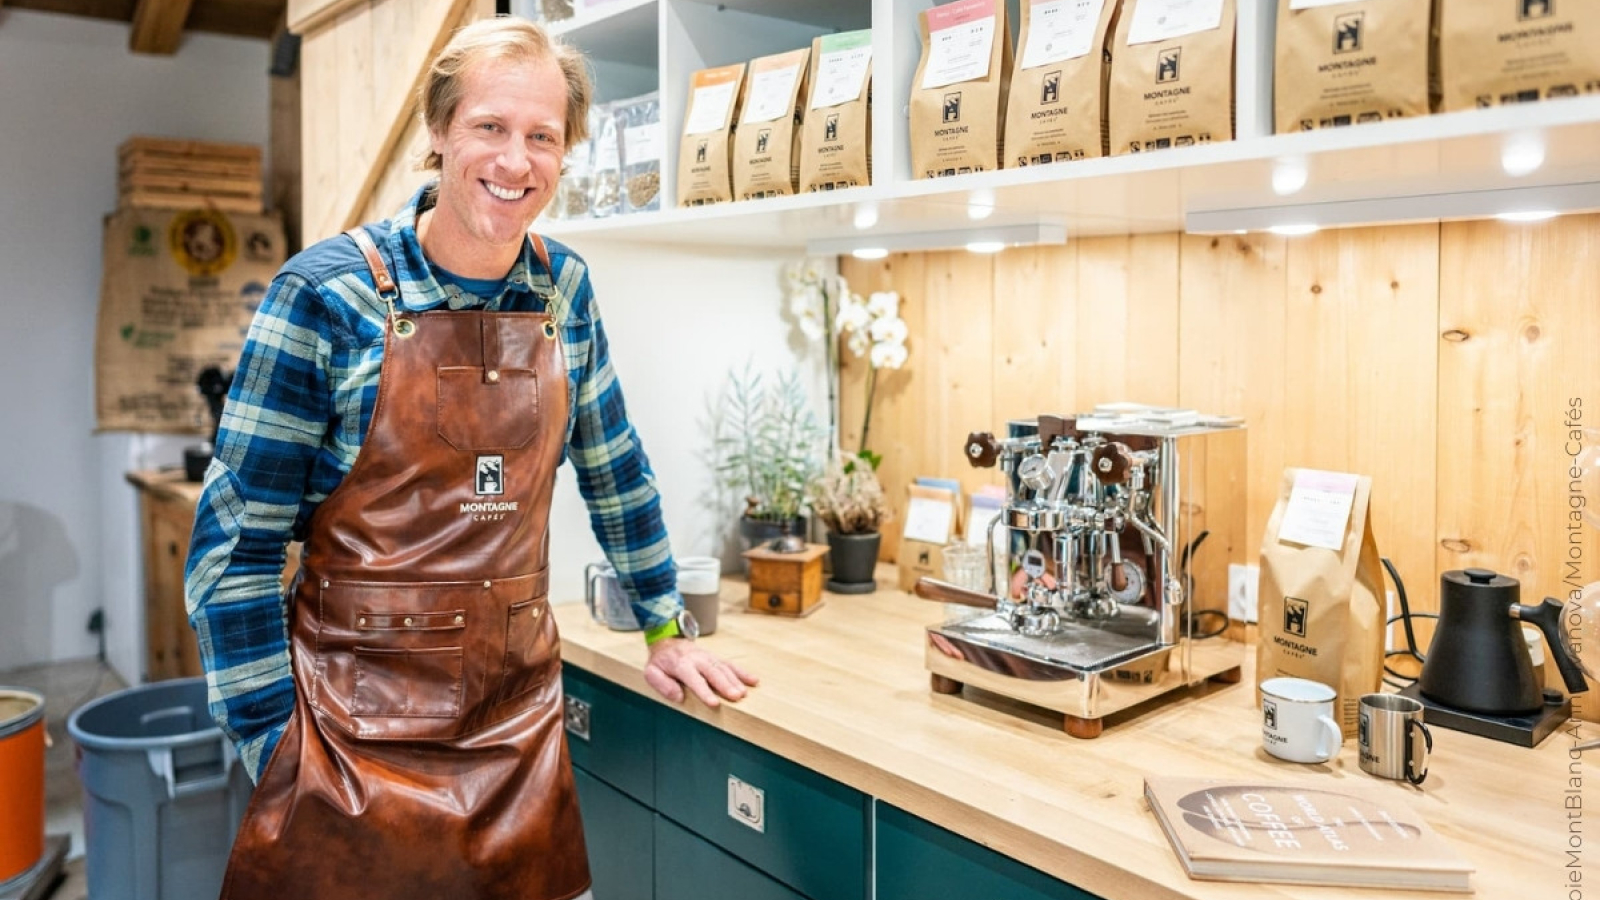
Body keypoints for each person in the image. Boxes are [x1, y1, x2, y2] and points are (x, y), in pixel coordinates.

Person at [184, 16, 757, 900]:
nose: (515, 161)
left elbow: (614, 466)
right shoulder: (324, 296)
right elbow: (234, 555)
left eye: (542, 136)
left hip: (517, 730)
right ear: (440, 131)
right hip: (344, 742)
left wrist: (663, 622)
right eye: (491, 127)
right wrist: (273, 747)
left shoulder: (563, 289)